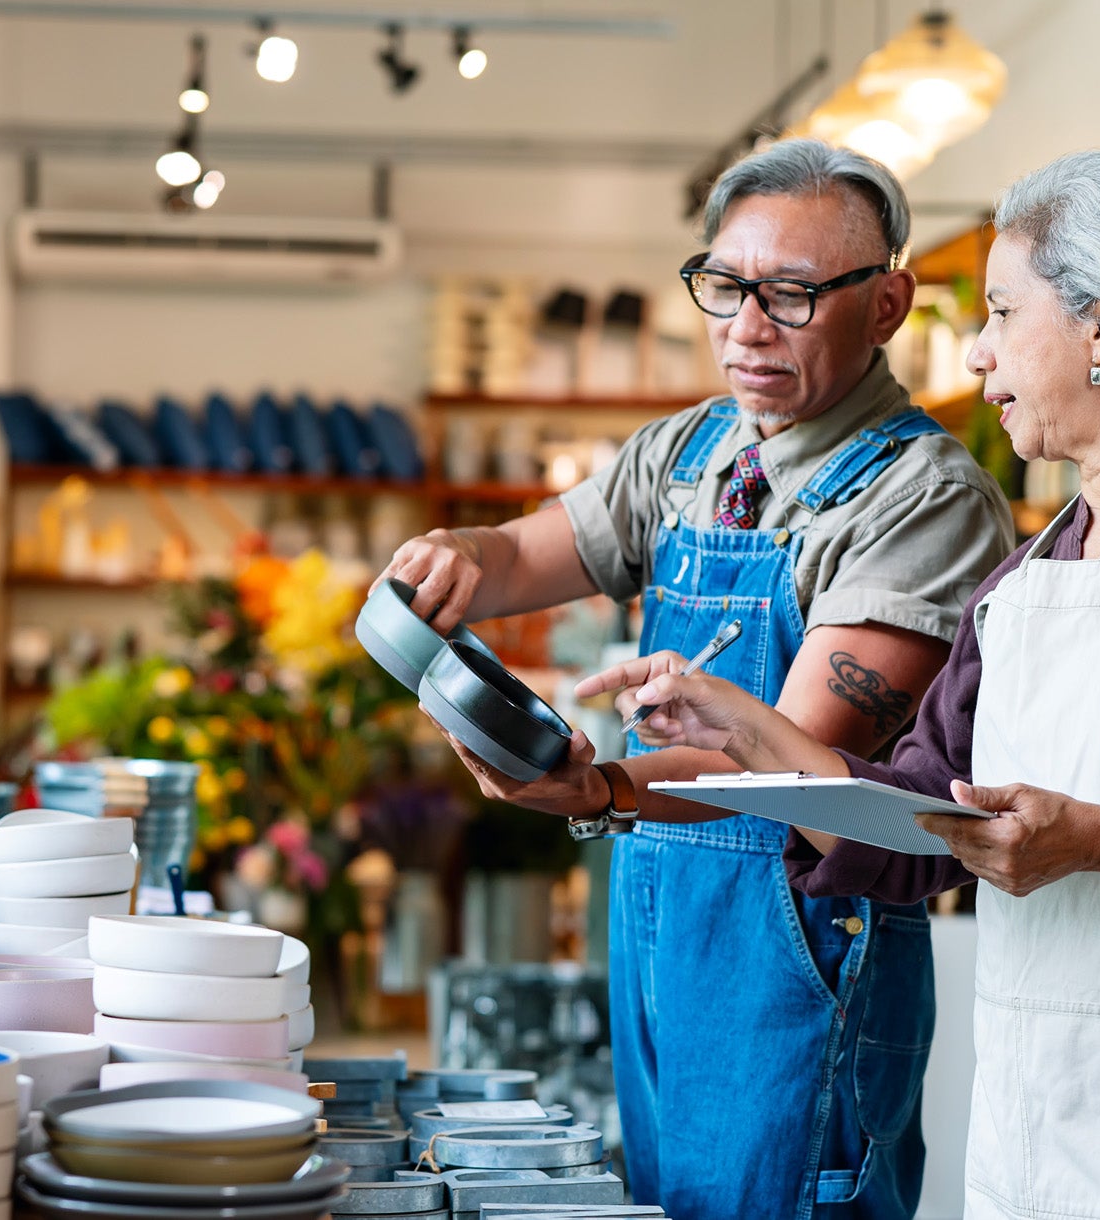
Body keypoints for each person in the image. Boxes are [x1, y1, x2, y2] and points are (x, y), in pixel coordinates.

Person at [579, 149, 1100, 1220]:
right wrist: (746, 729)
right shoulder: (1027, 582)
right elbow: (913, 820)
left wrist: (1098, 838)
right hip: (1052, 1131)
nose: (976, 355)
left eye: (1001, 312)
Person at [383, 139, 1015, 1220]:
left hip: (800, 958)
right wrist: (462, 559)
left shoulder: (923, 500)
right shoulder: (690, 456)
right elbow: (539, 550)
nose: (746, 327)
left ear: (889, 304)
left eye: (794, 295)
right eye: (724, 287)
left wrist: (603, 791)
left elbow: (787, 765)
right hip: (663, 926)